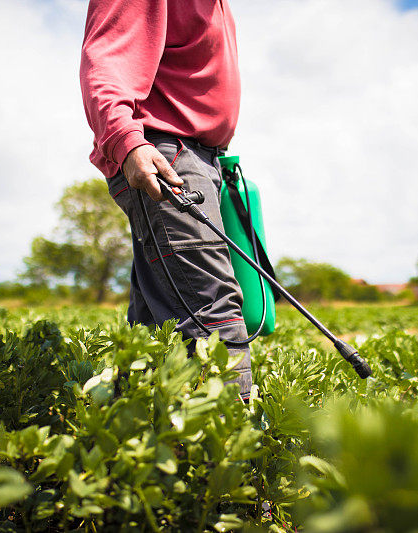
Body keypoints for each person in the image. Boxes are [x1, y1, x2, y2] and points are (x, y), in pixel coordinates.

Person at [79, 0, 252, 399]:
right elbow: (104, 64)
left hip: (199, 158)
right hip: (165, 156)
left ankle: (131, 439)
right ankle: (233, 452)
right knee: (213, 312)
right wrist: (126, 141)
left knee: (155, 330)